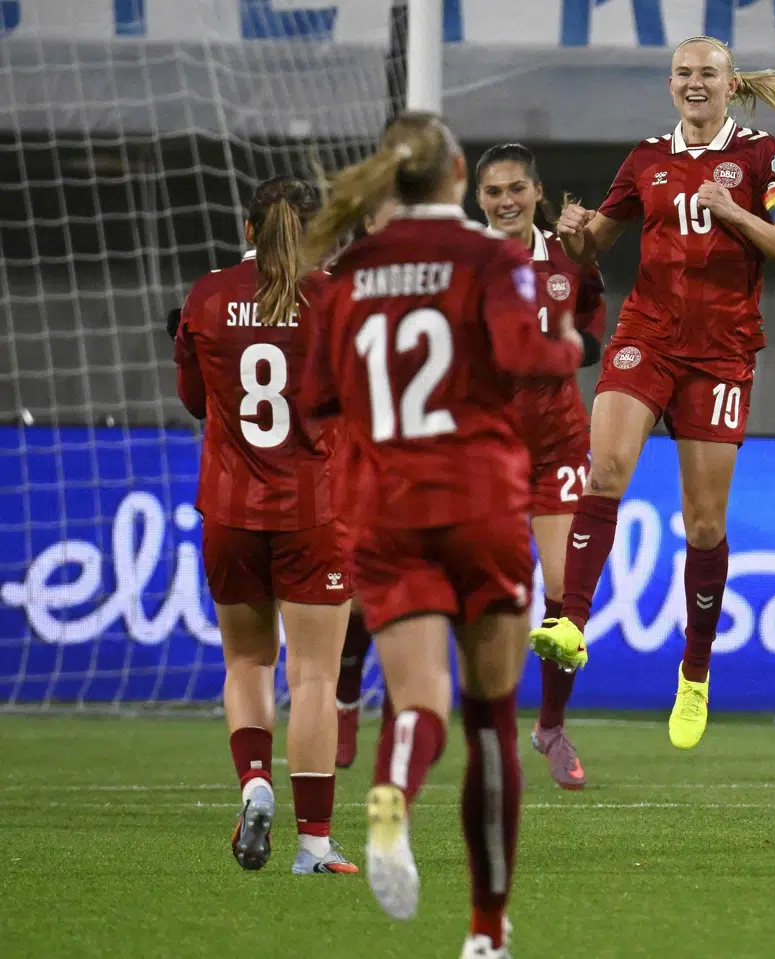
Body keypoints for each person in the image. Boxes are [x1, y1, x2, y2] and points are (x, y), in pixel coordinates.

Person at [299, 111, 582, 959]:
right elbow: (526, 356)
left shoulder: (346, 274)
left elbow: (318, 400)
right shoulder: (492, 256)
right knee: (491, 714)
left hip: (384, 508)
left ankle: (391, 787)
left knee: (418, 700)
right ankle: (487, 932)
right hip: (481, 501)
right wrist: (569, 343)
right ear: (458, 173)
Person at [527, 35, 775, 751]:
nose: (694, 83)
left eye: (706, 74)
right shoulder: (644, 160)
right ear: (670, 82)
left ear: (729, 83)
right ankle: (572, 623)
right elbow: (596, 247)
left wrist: (732, 212)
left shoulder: (761, 155)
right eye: (683, 73)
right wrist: (574, 235)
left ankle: (694, 669)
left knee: (704, 525)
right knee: (608, 468)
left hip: (721, 354)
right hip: (645, 335)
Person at [172, 175, 357, 874]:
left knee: (246, 662)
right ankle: (313, 842)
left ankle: (254, 783)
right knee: (312, 676)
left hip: (231, 511)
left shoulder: (208, 296)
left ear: (250, 230)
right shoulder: (339, 303)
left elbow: (194, 399)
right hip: (315, 512)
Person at [474, 142, 606, 789]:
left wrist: (566, 346)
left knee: (563, 600)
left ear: (536, 191)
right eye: (495, 191)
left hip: (557, 446)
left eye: (516, 189)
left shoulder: (564, 256)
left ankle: (549, 726)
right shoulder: (462, 267)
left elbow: (592, 327)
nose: (506, 201)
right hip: (487, 452)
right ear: (479, 199)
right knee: (494, 602)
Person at [335, 196, 399, 770]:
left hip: (428, 454)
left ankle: (400, 722)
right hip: (358, 453)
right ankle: (346, 698)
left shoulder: (447, 273)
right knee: (358, 599)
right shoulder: (342, 280)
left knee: (418, 598)